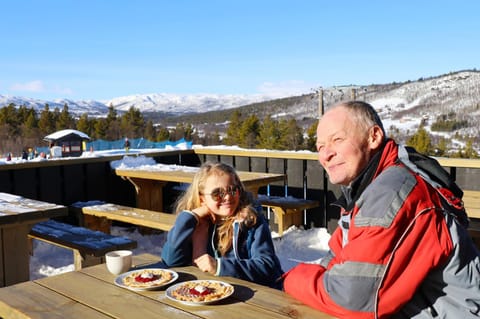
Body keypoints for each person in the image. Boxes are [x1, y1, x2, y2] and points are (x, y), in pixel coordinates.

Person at [283, 101, 480, 318]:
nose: (326, 154)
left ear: (373, 137)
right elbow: (338, 257)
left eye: (337, 140)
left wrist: (290, 279)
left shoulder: (392, 191)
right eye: (320, 146)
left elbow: (352, 300)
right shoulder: (366, 186)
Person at [161, 161, 284, 289]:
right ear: (202, 198)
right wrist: (191, 217)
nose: (227, 197)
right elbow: (171, 260)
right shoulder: (195, 225)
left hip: (255, 295)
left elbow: (267, 267)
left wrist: (220, 266)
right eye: (217, 193)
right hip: (208, 293)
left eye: (232, 190)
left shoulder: (250, 221)